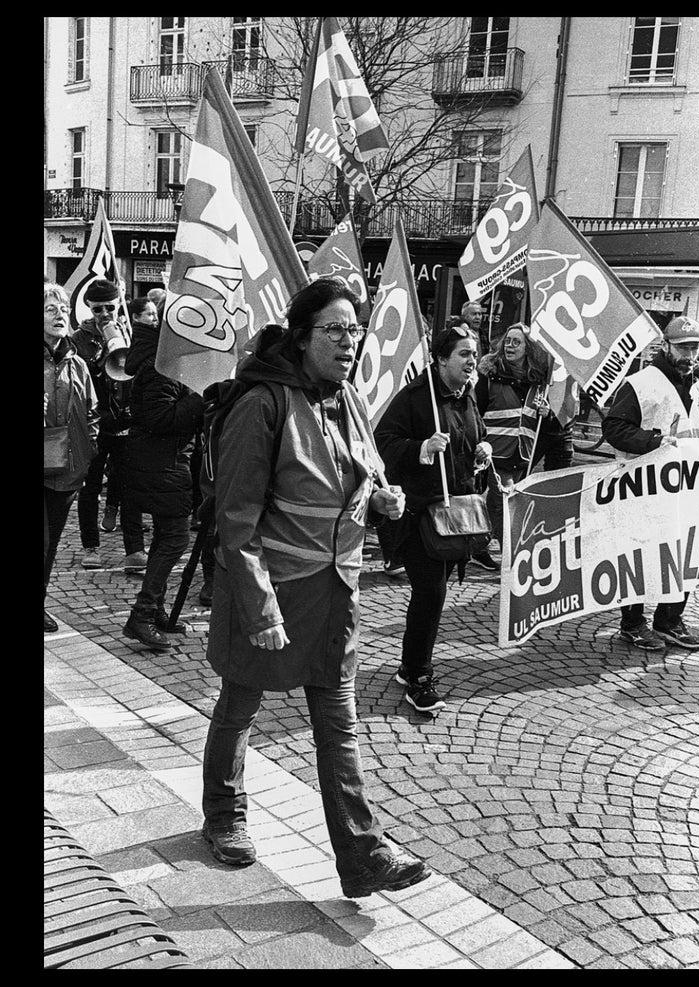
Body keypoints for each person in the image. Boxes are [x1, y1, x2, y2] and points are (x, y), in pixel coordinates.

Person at [200, 277, 431, 898]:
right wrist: (259, 609)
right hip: (272, 592)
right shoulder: (261, 405)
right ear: (301, 337)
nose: (348, 341)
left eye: (354, 330)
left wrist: (383, 497)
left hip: (336, 591)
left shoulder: (347, 397)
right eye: (334, 329)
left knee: (339, 720)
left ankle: (360, 855)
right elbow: (236, 520)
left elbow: (363, 471)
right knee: (240, 704)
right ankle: (224, 815)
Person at [374, 324, 487, 713]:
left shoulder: (466, 395)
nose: (472, 361)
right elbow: (382, 444)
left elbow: (472, 434)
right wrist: (420, 447)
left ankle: (410, 667)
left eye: (474, 354)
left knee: (432, 594)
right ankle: (418, 675)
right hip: (419, 515)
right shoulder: (415, 398)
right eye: (464, 354)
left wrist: (482, 446)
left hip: (452, 515)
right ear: (440, 360)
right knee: (431, 592)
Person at [602, 315, 699, 651]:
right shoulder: (641, 383)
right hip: (645, 487)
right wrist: (655, 442)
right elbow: (613, 429)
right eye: (683, 348)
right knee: (642, 552)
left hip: (687, 486)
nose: (689, 355)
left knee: (687, 553)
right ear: (665, 347)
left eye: (694, 348)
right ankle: (633, 623)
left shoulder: (695, 386)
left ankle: (669, 621)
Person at [118, 294, 205, 651]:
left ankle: (155, 611)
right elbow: (158, 418)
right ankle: (142, 615)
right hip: (160, 464)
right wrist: (200, 398)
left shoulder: (166, 362)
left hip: (163, 463)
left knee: (167, 538)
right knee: (174, 539)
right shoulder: (160, 366)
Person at [71, 280, 146, 573]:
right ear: (89, 309)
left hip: (127, 422)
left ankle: (135, 549)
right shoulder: (79, 338)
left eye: (110, 307)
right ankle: (91, 546)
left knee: (131, 487)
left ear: (119, 304)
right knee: (90, 488)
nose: (104, 313)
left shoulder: (133, 333)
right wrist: (101, 359)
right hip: (96, 424)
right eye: (97, 308)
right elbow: (79, 378)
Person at [44, 282, 99, 632]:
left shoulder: (76, 363)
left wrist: (86, 452)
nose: (60, 314)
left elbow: (92, 413)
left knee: (50, 546)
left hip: (65, 468)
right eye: (51, 308)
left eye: (63, 308)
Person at [474, 324, 552, 567]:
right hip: (495, 450)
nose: (509, 346)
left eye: (517, 342)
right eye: (507, 340)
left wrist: (545, 413)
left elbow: (537, 419)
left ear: (528, 348)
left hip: (522, 453)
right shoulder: (490, 376)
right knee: (502, 501)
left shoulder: (537, 381)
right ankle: (510, 552)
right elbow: (475, 411)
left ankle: (479, 544)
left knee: (507, 501)